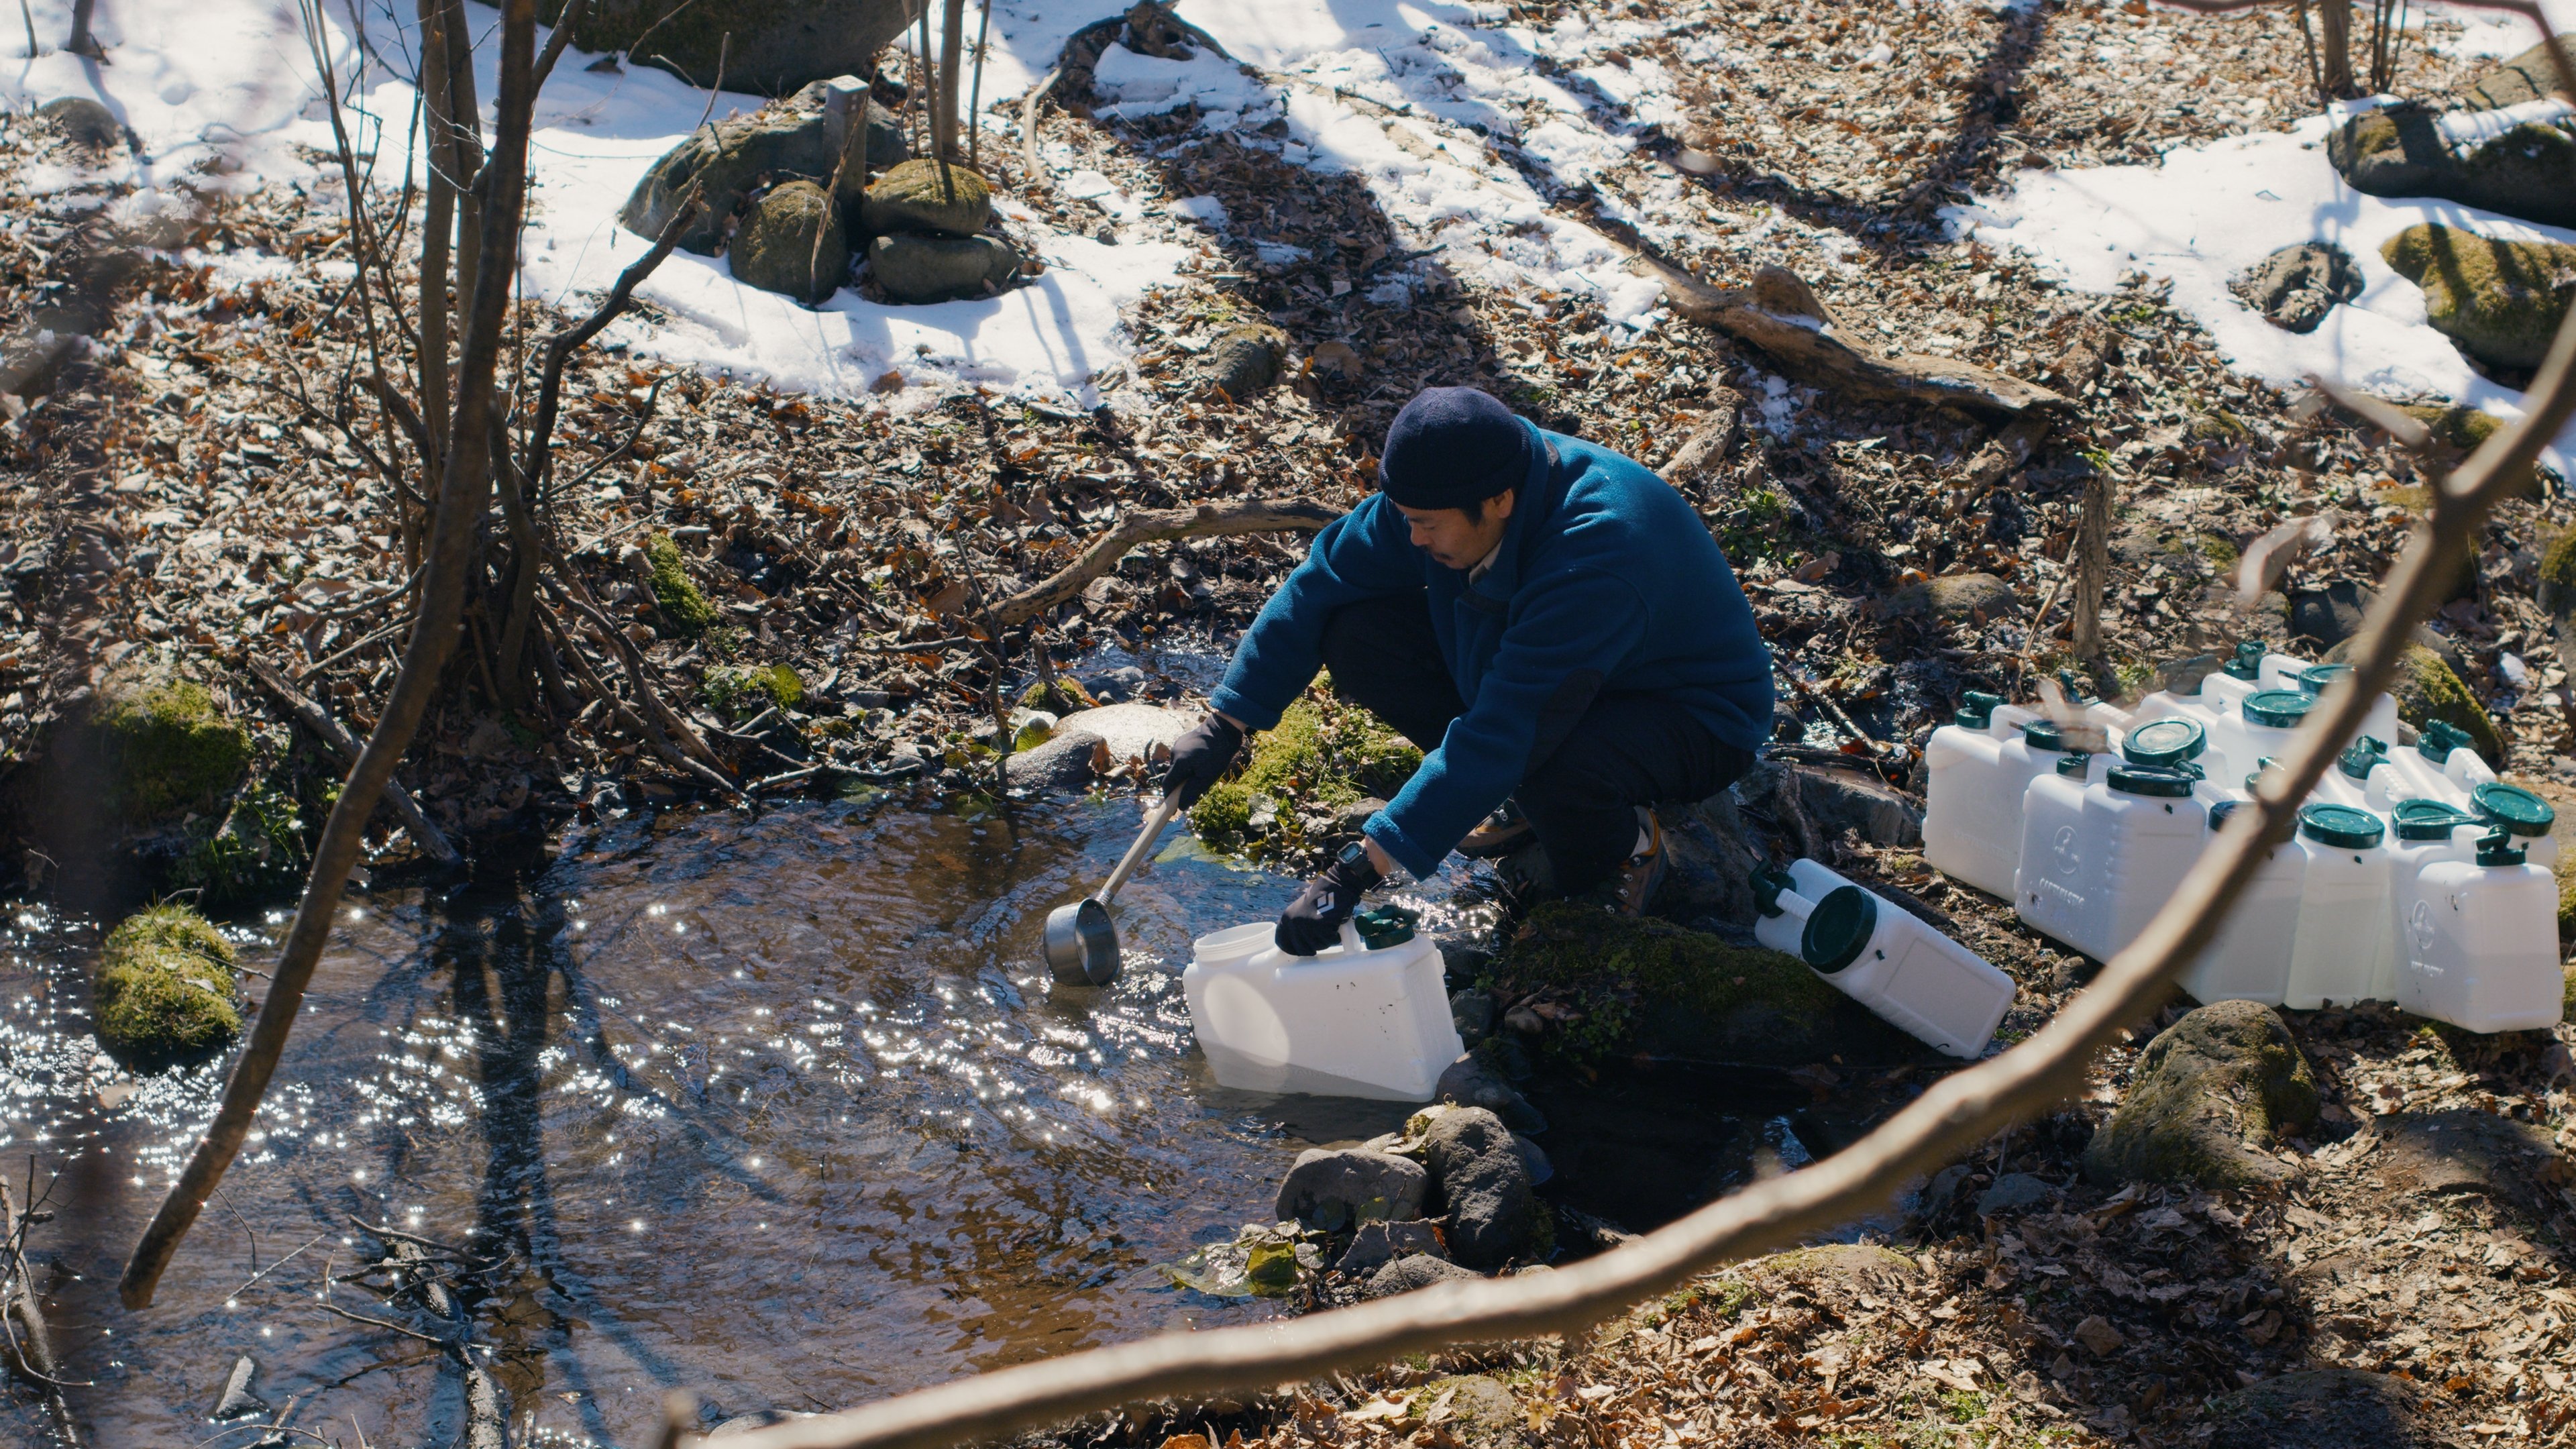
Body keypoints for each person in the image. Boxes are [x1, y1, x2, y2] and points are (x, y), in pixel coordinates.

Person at [1163, 385, 1774, 954]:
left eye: (1427, 524)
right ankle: (1513, 803)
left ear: (1499, 502)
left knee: (1552, 765)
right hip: (1573, 675)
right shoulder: (1451, 488)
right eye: (1405, 516)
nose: (1413, 536)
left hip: (1694, 714)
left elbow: (1509, 729)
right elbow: (1321, 584)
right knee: (1356, 634)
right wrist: (1228, 722)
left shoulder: (1597, 553)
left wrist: (1355, 871)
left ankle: (1629, 849)